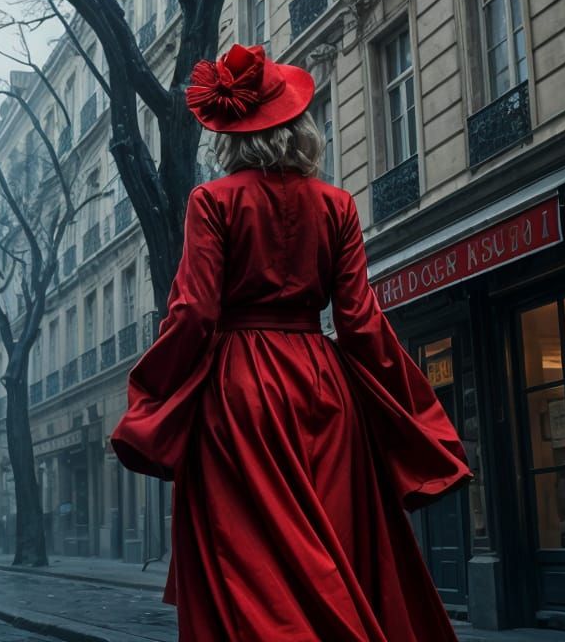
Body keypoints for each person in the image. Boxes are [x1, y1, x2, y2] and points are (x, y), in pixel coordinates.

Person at [111, 45, 471, 642]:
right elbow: (360, 322)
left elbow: (195, 311)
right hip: (326, 394)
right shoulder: (337, 206)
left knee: (252, 565)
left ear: (235, 134)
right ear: (299, 128)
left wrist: (153, 390)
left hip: (239, 393)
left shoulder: (213, 201)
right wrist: (416, 411)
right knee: (333, 548)